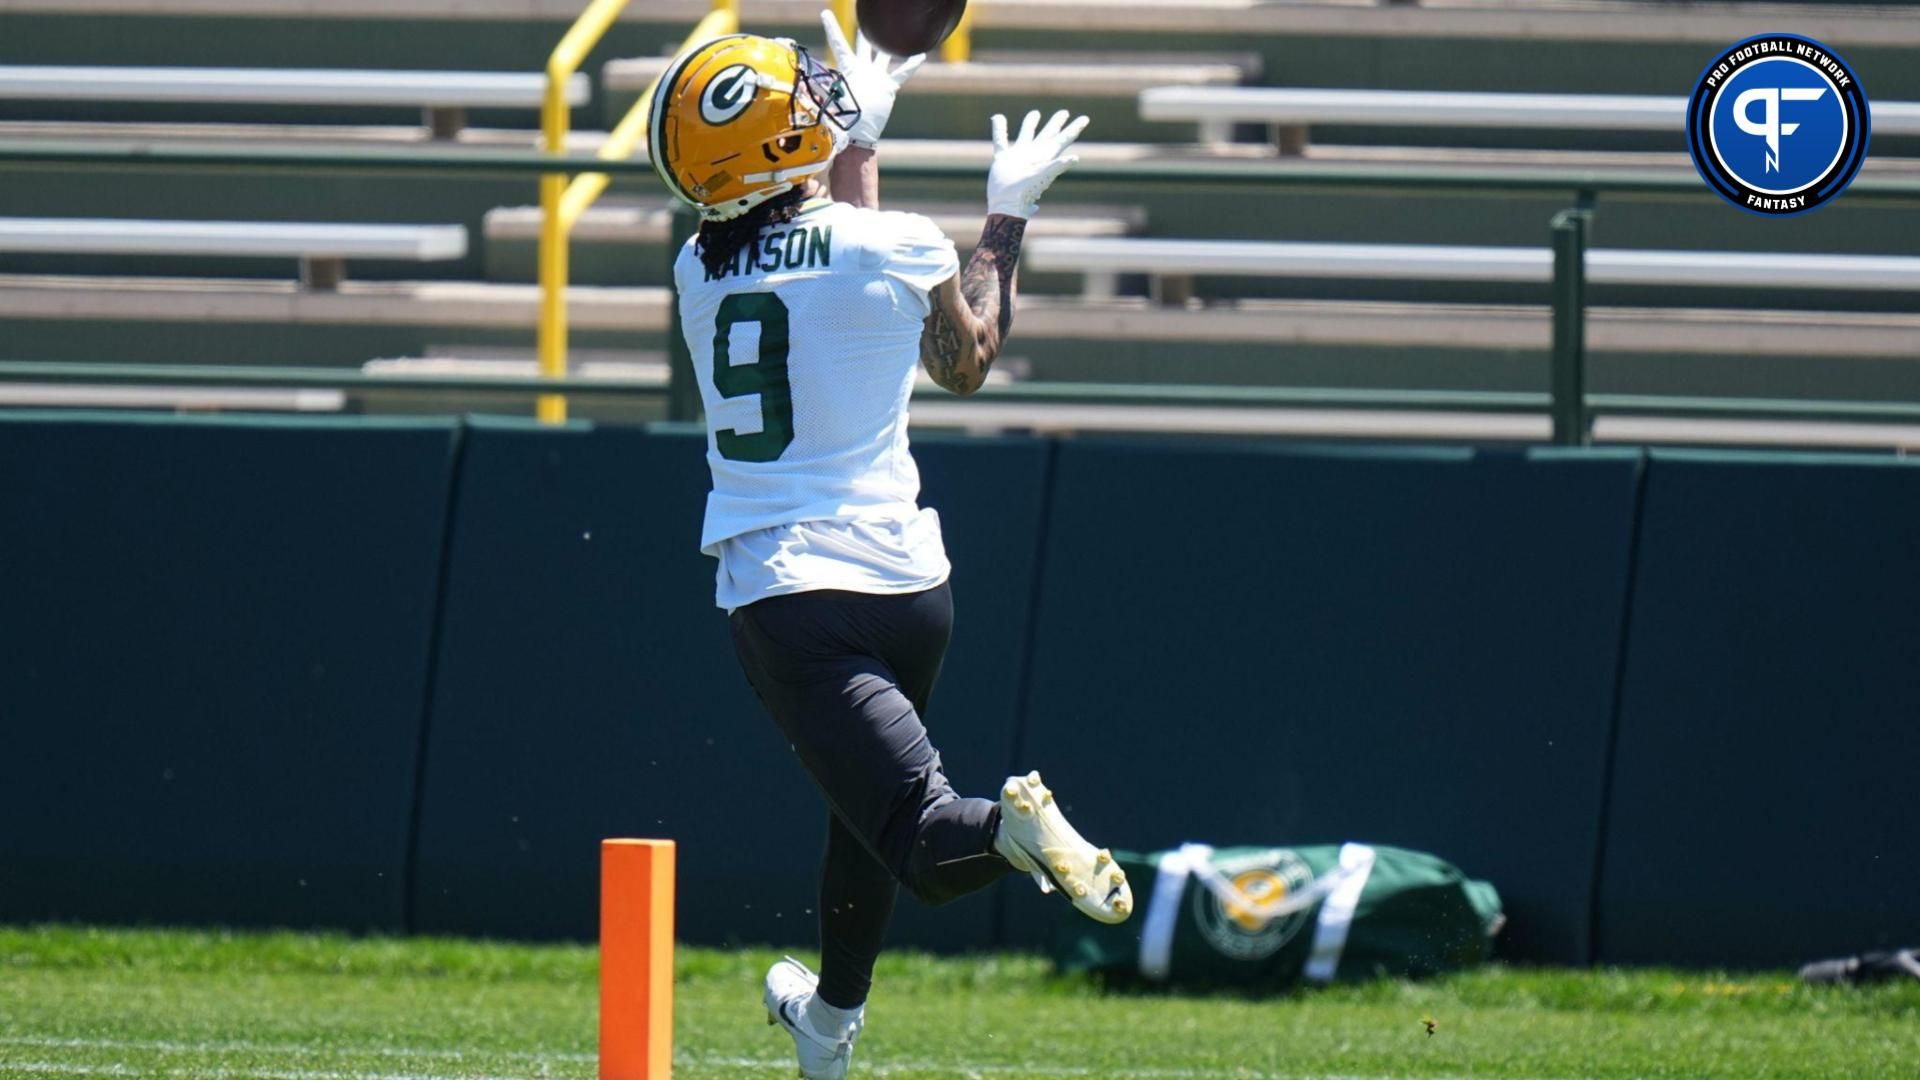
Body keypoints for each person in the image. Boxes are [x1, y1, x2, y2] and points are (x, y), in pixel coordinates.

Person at [648, 12, 1131, 1078]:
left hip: (790, 598)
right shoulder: (899, 242)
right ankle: (829, 1027)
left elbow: (828, 262)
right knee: (862, 812)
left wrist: (856, 138)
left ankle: (1013, 833)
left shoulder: (695, 270)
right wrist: (1005, 217)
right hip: (912, 589)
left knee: (915, 829)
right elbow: (963, 359)